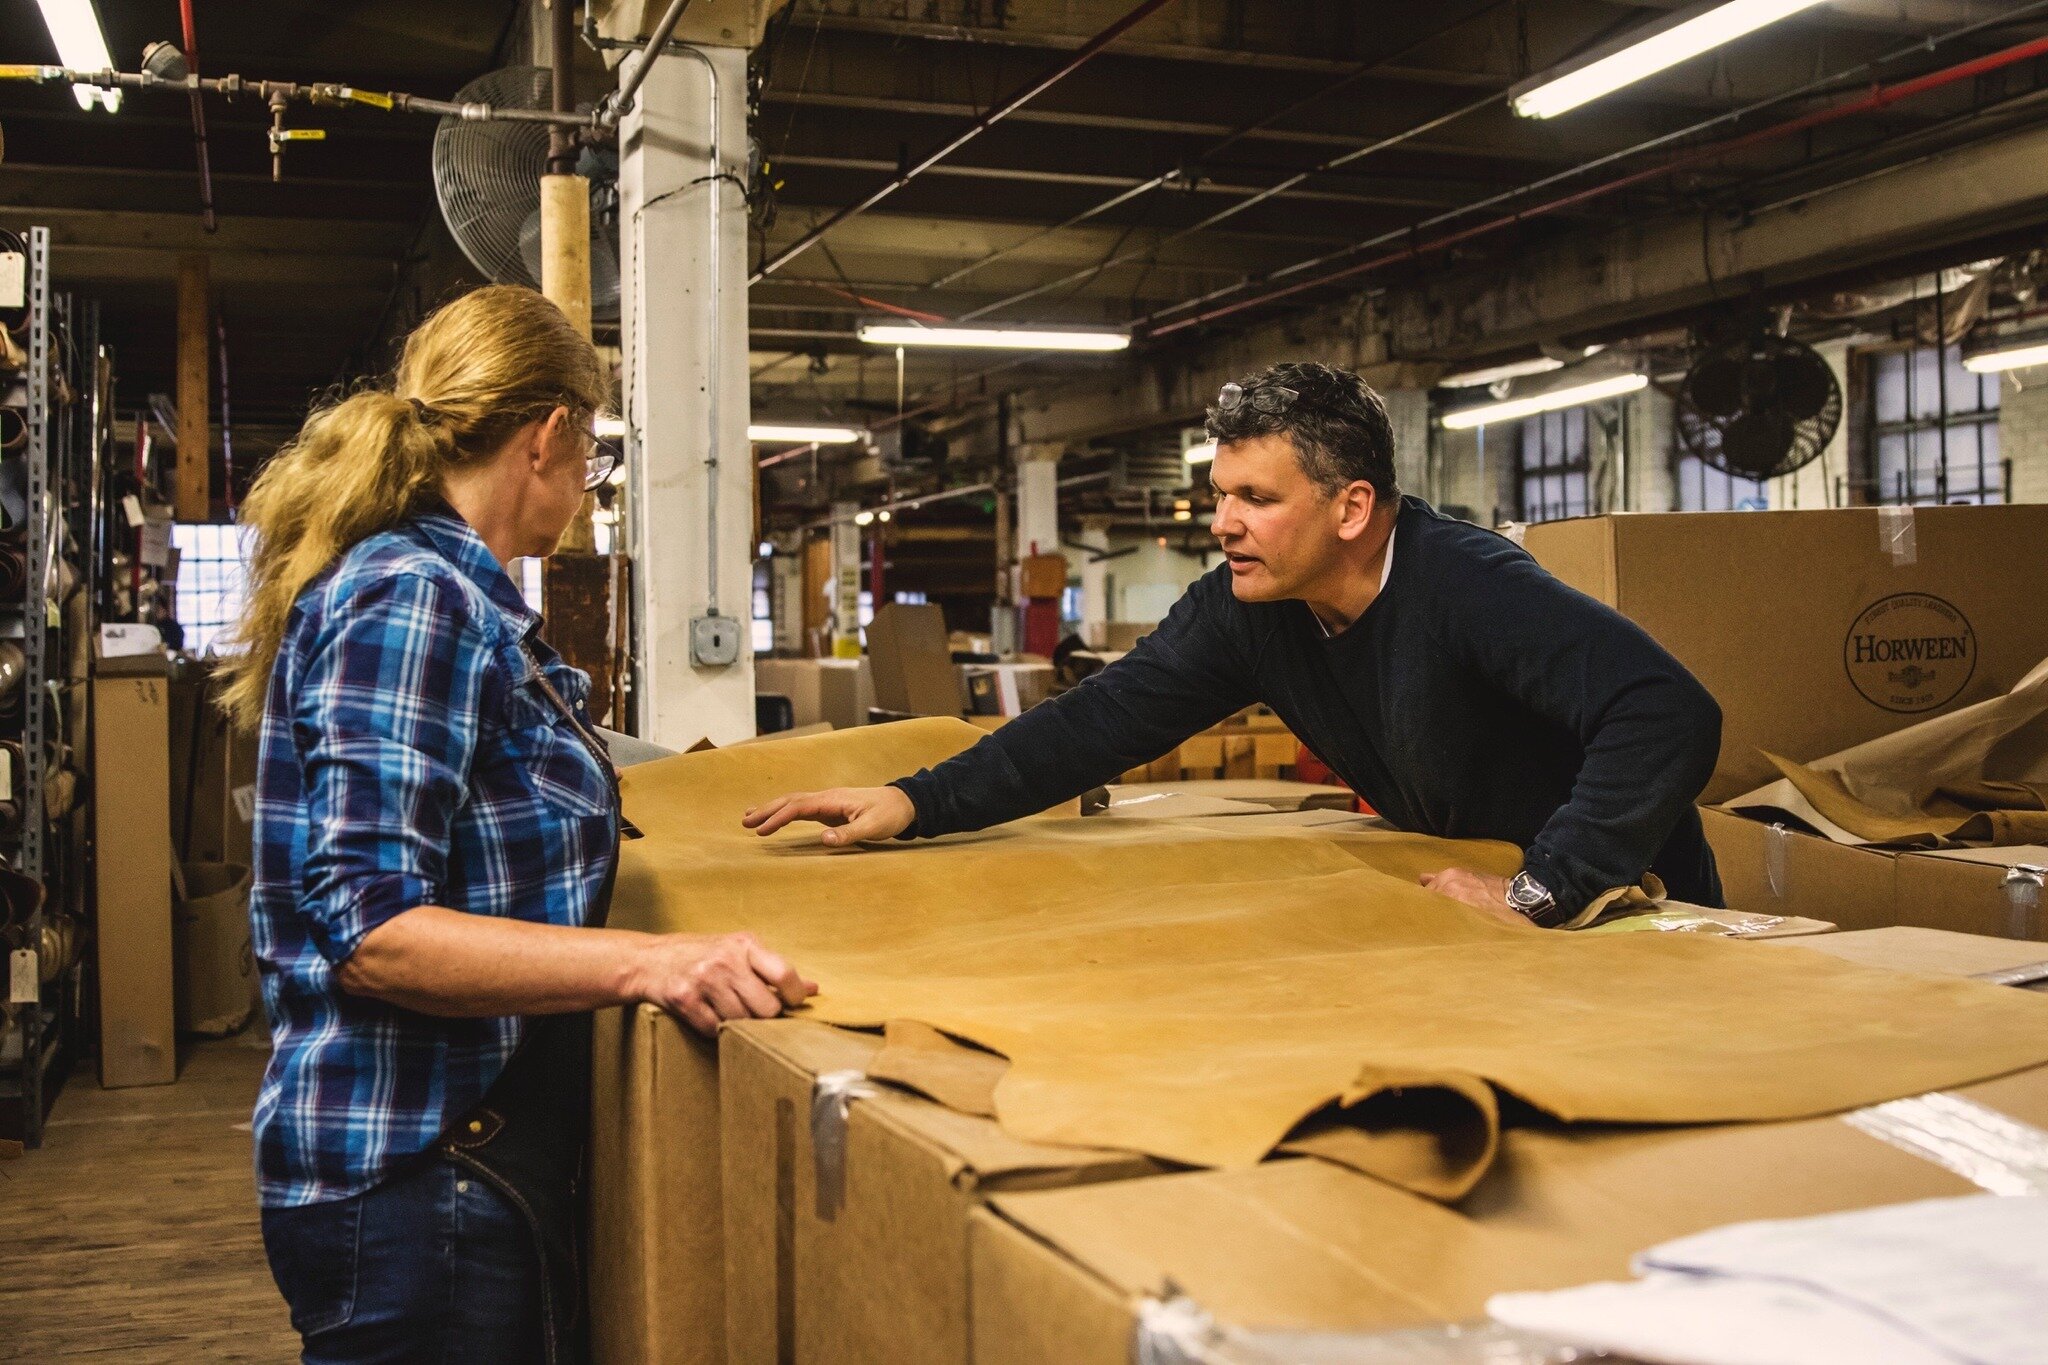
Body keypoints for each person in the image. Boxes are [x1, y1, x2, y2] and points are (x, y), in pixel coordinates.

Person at [225, 285, 814, 1365]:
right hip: (419, 1180)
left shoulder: (463, 601)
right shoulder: (412, 598)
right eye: (588, 452)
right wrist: (650, 963)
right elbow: (373, 931)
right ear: (546, 436)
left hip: (462, 1166)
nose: (585, 485)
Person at [744, 361, 1723, 930]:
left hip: (1624, 905)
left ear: (1349, 508)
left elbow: (1664, 713)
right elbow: (1099, 720)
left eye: (1253, 498)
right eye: (1219, 495)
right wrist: (917, 800)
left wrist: (1540, 887)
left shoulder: (1465, 587)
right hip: (1476, 897)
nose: (1220, 523)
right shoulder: (1243, 612)